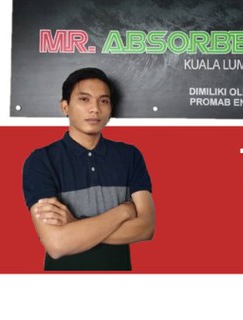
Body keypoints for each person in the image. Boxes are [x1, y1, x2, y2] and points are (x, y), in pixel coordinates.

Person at [22, 67, 155, 271]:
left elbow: (146, 228)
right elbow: (57, 244)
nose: (95, 109)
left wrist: (74, 224)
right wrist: (125, 211)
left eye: (104, 101)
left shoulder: (130, 156)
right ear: (65, 107)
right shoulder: (41, 160)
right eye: (84, 99)